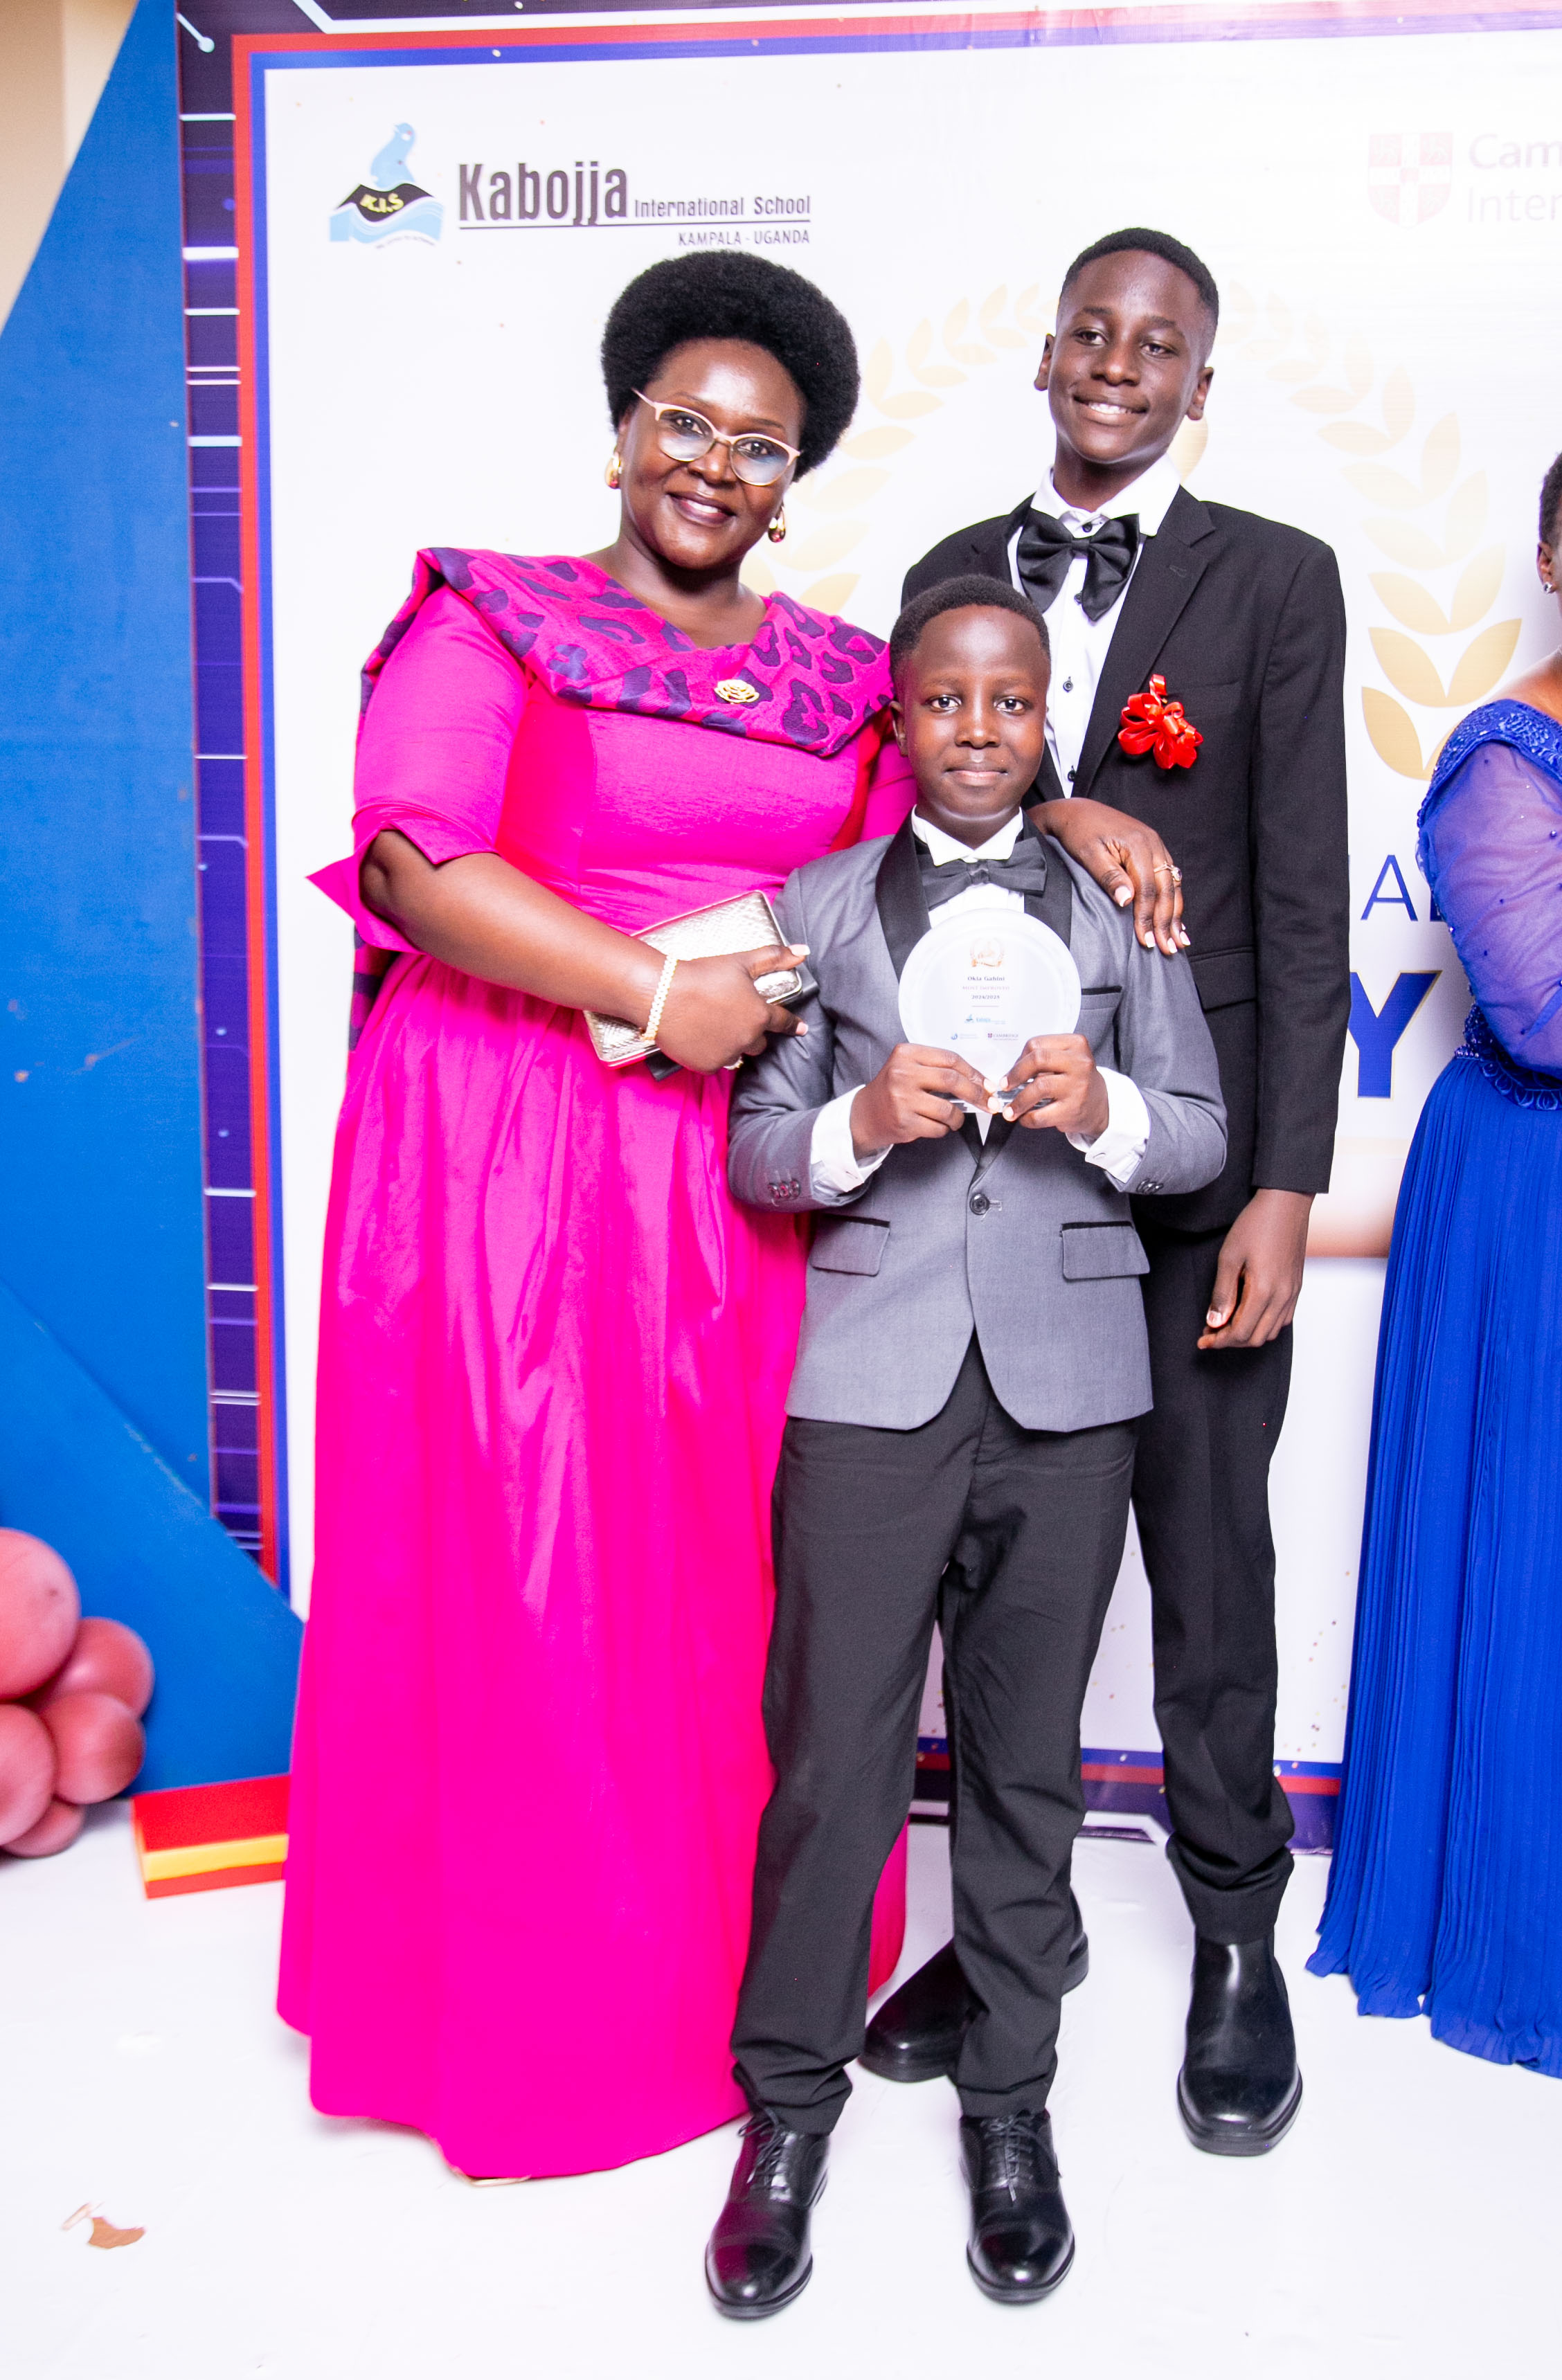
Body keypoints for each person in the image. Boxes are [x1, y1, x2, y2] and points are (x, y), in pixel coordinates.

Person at [279, 251, 1189, 2183]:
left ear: (792, 484)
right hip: (510, 1154)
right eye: (682, 423)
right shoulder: (490, 614)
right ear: (622, 432)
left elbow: (943, 821)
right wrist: (645, 988)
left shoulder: (845, 676)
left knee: (731, 1593)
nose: (712, 462)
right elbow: (415, 863)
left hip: (747, 1177)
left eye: (757, 445)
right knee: (533, 1575)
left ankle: (733, 1999)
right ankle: (537, 2014)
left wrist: (1074, 810)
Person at [864, 228, 1351, 2154]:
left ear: (1198, 384)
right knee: (1013, 1579)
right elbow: (905, 841)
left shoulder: (1278, 577)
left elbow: (1301, 901)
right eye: (1091, 330)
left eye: (1158, 345)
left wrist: (1286, 1182)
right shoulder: (945, 576)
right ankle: (1011, 1938)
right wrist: (1063, 796)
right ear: (1046, 352)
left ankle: (1234, 1935)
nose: (1117, 364)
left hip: (1196, 1158)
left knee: (1208, 1565)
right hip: (994, 1166)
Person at [704, 580, 1226, 2316]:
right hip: (868, 1389)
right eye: (947, 702)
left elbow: (1200, 1135)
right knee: (830, 1769)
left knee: (1025, 1772)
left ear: (1044, 716)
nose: (981, 730)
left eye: (1012, 702)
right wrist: (860, 1119)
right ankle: (787, 2116)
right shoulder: (818, 905)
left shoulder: (1123, 896)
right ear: (903, 718)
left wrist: (1112, 1110)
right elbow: (757, 1149)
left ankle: (1011, 2107)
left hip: (1072, 1392)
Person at [1309, 438, 1562, 2080]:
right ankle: (1525, 1924)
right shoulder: (1507, 751)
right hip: (1545, 1197)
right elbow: (1552, 1011)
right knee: (1544, 1562)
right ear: (1553, 558)